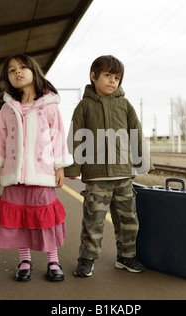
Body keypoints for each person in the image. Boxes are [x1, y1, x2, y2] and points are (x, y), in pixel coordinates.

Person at [65, 55, 154, 277]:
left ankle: (126, 256)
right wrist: (74, 168)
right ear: (93, 76)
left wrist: (142, 161)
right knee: (94, 220)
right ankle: (87, 258)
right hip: (97, 175)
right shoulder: (84, 106)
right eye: (107, 75)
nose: (113, 81)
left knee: (128, 218)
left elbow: (136, 132)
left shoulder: (124, 104)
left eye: (117, 77)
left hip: (123, 173)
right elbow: (76, 138)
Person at [0, 54, 73, 282]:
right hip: (14, 175)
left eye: (23, 67)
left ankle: (53, 260)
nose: (17, 72)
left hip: (42, 174)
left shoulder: (50, 107)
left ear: (34, 71)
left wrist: (60, 167)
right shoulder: (7, 109)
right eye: (11, 70)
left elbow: (58, 138)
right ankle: (24, 260)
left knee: (45, 218)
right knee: (19, 218)